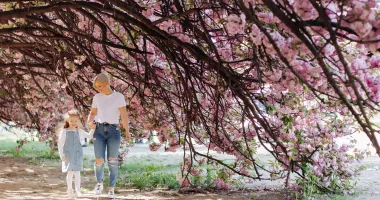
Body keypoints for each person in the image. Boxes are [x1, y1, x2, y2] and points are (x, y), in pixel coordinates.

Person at [87, 72, 131, 198]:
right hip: (99, 130)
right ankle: (99, 183)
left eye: (99, 86)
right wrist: (89, 122)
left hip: (113, 131)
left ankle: (111, 188)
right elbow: (93, 113)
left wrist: (127, 131)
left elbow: (123, 115)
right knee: (99, 160)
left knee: (112, 160)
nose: (98, 89)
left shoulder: (119, 97)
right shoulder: (97, 97)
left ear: (107, 83)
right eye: (96, 87)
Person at [58, 109, 94, 198]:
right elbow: (60, 144)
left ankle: (78, 190)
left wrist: (93, 129)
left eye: (75, 121)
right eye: (71, 121)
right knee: (70, 172)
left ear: (78, 121)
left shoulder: (79, 131)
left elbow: (89, 137)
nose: (73, 123)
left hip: (77, 154)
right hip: (68, 155)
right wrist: (61, 155)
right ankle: (70, 189)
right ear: (67, 120)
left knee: (77, 173)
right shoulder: (65, 131)